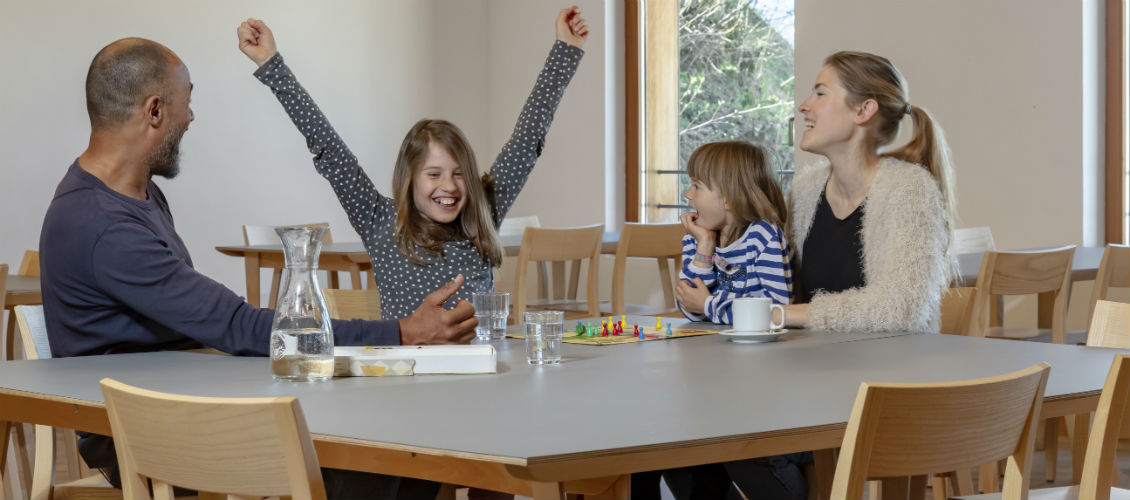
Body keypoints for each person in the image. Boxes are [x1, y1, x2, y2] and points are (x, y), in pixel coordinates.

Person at [39, 37, 474, 499]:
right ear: (154, 111)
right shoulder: (101, 224)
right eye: (187, 103)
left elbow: (203, 327)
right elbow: (235, 325)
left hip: (186, 402)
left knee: (392, 445)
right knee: (380, 459)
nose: (190, 118)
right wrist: (405, 332)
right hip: (146, 436)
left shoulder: (137, 196)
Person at [238, 7, 587, 322]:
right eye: (433, 174)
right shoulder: (378, 220)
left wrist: (565, 51)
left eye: (459, 174)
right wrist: (271, 63)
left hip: (480, 373)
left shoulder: (482, 212)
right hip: (406, 375)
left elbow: (528, 140)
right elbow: (326, 145)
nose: (448, 186)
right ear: (410, 179)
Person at [783, 51, 955, 333]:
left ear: (863, 110)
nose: (804, 106)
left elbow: (901, 308)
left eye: (820, 94)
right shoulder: (805, 190)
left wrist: (784, 314)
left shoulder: (910, 189)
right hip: (813, 366)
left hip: (893, 372)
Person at [675, 141, 792, 323]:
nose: (688, 194)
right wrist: (705, 248)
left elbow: (776, 310)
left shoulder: (763, 236)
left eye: (697, 186)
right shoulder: (696, 238)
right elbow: (689, 308)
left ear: (729, 198)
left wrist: (708, 305)